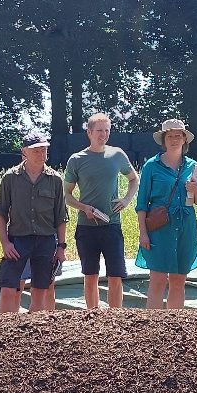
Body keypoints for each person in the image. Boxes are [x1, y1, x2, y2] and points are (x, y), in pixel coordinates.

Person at [64, 113, 139, 310]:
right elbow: (67, 195)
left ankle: (114, 318)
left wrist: (126, 199)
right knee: (90, 276)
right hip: (86, 226)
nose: (103, 135)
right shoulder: (77, 160)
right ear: (89, 132)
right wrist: (84, 208)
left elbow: (134, 179)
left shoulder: (117, 154)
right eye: (99, 131)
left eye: (107, 130)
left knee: (115, 275)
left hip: (112, 224)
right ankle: (92, 317)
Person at [0, 131, 68, 314]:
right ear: (24, 151)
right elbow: (0, 212)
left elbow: (61, 216)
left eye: (44, 150)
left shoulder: (55, 180)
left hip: (45, 241)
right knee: (9, 288)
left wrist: (61, 247)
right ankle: (3, 333)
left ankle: (36, 335)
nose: (41, 155)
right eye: (36, 151)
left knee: (40, 291)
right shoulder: (10, 178)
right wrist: (5, 243)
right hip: (18, 241)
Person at [136, 119, 197, 310]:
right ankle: (155, 327)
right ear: (163, 140)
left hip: (185, 226)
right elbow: (142, 204)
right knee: (157, 279)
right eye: (170, 136)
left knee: (178, 280)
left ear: (184, 139)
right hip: (159, 228)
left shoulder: (194, 167)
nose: (174, 140)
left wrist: (196, 190)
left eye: (178, 136)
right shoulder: (151, 166)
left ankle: (174, 327)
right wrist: (143, 232)